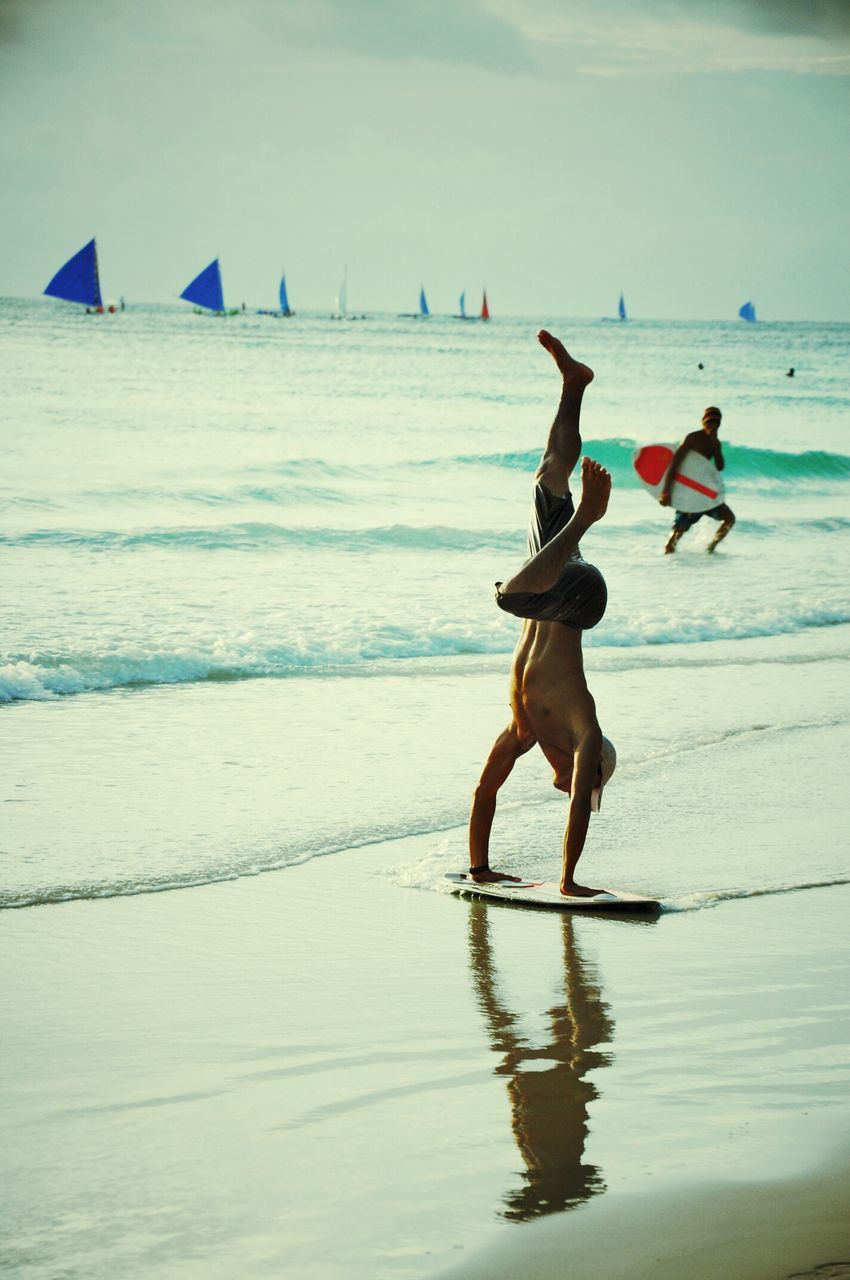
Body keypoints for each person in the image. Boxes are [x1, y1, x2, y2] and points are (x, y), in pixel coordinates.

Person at [467, 331, 616, 898]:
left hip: (547, 580)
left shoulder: (524, 728)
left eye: (579, 785)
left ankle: (573, 385)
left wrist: (479, 870)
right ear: (597, 767)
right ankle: (585, 519)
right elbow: (580, 808)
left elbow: (486, 790)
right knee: (511, 597)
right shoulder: (586, 734)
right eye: (585, 783)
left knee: (549, 472)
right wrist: (569, 883)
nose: (573, 788)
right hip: (581, 596)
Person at [661, 406, 735, 554]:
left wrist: (715, 445)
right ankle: (667, 562)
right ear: (703, 422)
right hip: (689, 494)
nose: (712, 425)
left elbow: (719, 467)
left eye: (716, 422)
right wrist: (665, 492)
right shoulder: (692, 438)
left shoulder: (716, 442)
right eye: (709, 422)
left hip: (706, 493)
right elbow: (674, 464)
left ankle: (710, 549)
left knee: (729, 519)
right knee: (675, 536)